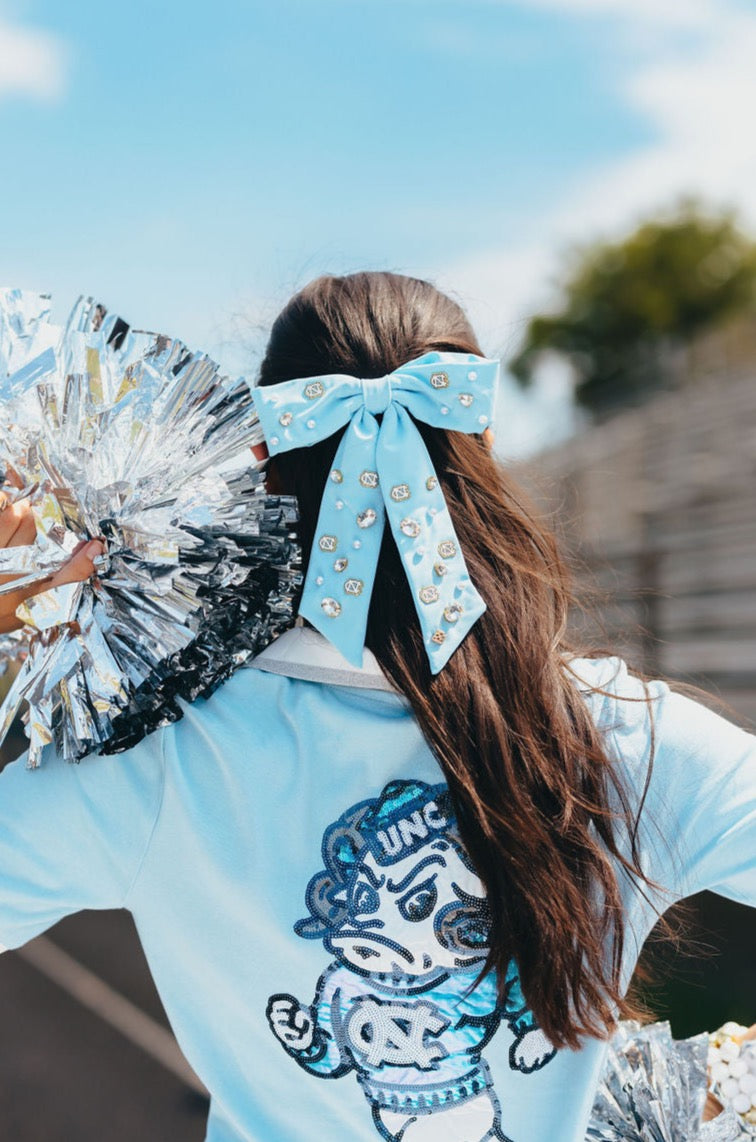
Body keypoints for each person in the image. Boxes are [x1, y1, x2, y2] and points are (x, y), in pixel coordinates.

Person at [0, 271, 753, 1142]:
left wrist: (15, 641)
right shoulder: (626, 733)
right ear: (482, 447)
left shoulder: (165, 753)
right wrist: (722, 1095)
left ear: (261, 460)